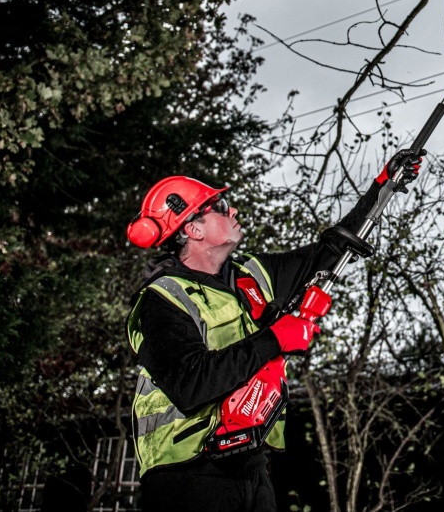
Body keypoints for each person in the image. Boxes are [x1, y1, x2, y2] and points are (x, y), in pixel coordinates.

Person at [124, 149, 424, 512]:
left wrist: (383, 186)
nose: (233, 211)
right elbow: (190, 385)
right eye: (221, 206)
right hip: (185, 474)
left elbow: (328, 251)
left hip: (251, 466)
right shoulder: (162, 299)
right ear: (193, 229)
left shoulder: (251, 275)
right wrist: (275, 338)